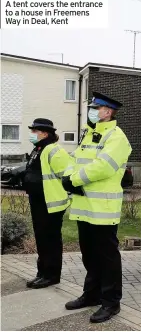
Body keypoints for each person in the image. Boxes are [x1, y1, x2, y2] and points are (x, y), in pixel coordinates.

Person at [62, 92, 132, 323]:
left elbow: (103, 167)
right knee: (89, 255)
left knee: (107, 257)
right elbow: (75, 160)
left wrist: (74, 180)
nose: (92, 110)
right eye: (91, 107)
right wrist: (68, 175)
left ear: (108, 112)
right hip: (84, 206)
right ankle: (91, 294)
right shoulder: (90, 135)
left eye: (96, 107)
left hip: (102, 209)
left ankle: (111, 303)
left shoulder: (116, 137)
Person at [23, 118, 73, 289]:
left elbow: (67, 176)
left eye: (34, 131)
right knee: (42, 238)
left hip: (51, 203)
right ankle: (42, 273)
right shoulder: (38, 149)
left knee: (50, 240)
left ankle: (51, 275)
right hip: (38, 200)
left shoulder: (53, 150)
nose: (32, 134)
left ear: (45, 133)